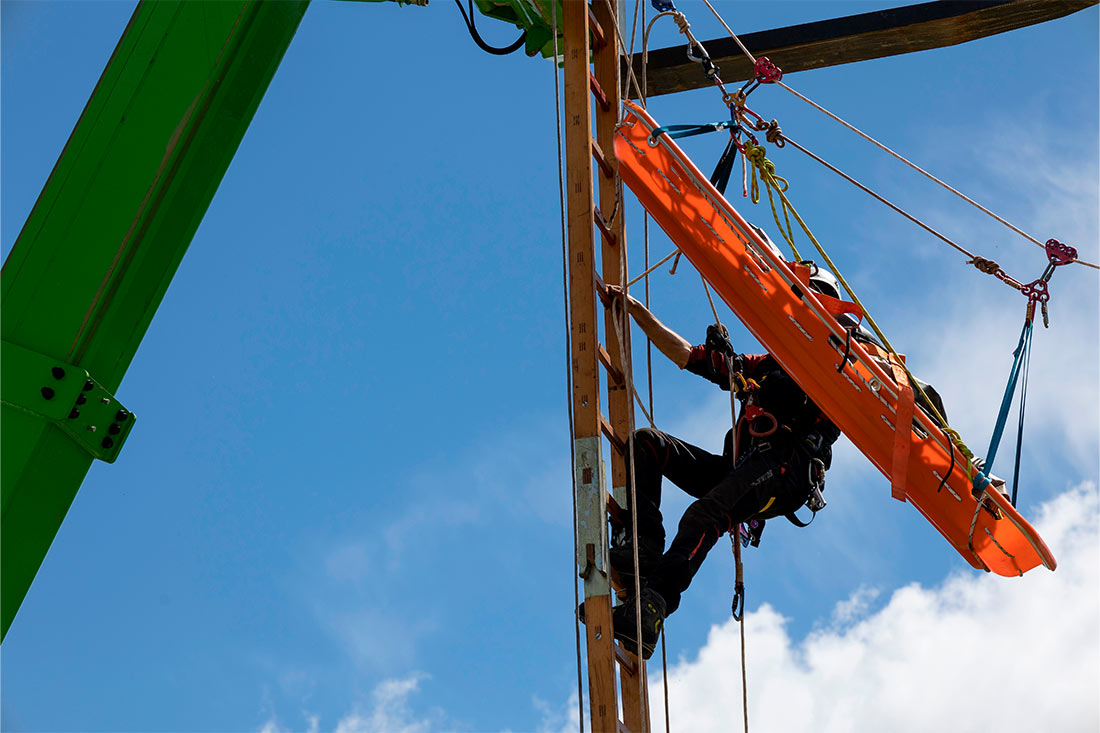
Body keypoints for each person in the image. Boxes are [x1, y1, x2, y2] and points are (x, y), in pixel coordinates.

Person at [599, 269, 842, 660]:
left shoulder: (836, 362)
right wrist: (635, 310)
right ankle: (644, 549)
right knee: (647, 445)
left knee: (704, 515)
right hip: (743, 465)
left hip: (784, 469)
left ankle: (652, 607)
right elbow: (687, 356)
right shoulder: (767, 364)